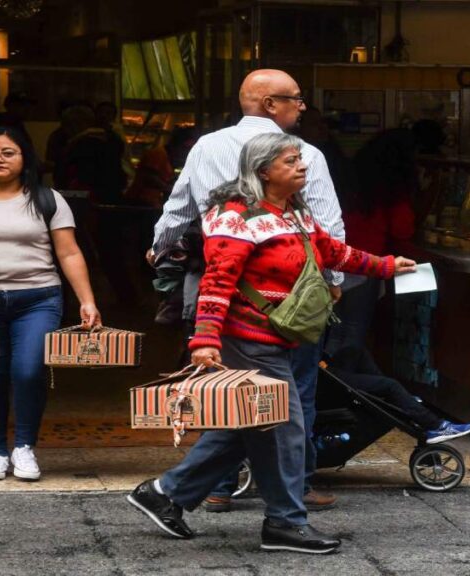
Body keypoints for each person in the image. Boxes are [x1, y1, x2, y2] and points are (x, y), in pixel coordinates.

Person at [127, 132, 417, 554]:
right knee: (285, 429)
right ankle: (284, 522)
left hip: (282, 337)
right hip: (247, 339)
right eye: (290, 161)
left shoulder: (294, 212)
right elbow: (216, 282)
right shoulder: (235, 217)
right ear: (263, 171)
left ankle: (164, 492)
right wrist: (204, 340)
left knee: (250, 427)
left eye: (301, 159)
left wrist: (386, 266)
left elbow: (332, 251)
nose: (302, 166)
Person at [146, 69, 347, 513]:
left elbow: (177, 207)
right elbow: (327, 224)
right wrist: (332, 284)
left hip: (216, 281)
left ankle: (218, 486)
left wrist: (159, 250)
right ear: (270, 105)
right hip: (287, 293)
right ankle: (295, 492)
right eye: (296, 99)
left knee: (230, 390)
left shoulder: (205, 146)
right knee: (294, 393)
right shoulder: (304, 153)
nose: (302, 106)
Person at [0, 126, 101, 482]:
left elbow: (69, 252)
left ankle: (24, 447)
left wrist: (87, 301)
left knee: (27, 371)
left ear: (25, 157)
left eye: (7, 152)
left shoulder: (48, 199)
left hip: (38, 299)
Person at [325, 129, 416, 356]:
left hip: (334, 260)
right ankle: (350, 384)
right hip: (366, 265)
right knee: (354, 332)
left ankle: (331, 381)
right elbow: (402, 229)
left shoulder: (346, 178)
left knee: (333, 330)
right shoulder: (391, 189)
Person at [326, 347, 470, 443]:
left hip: (320, 367)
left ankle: (397, 400)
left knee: (356, 352)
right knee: (390, 386)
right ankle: (434, 425)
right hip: (321, 378)